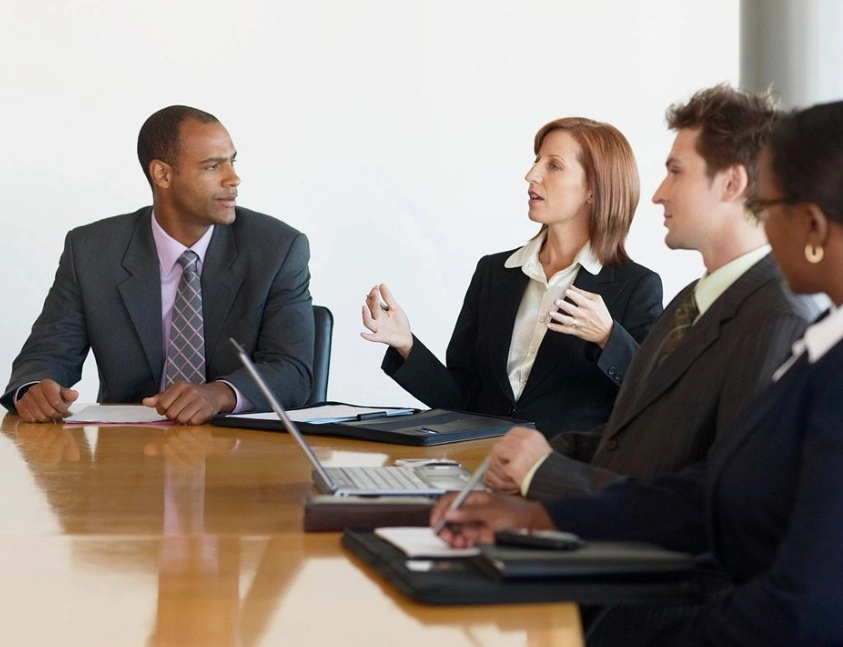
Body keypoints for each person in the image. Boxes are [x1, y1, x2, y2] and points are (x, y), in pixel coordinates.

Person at [432, 99, 843, 647]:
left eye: (768, 210)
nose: (762, 229)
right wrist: (542, 511)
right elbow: (717, 491)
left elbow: (808, 606)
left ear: (816, 227)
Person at [483, 85, 817, 500]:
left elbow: (723, 500)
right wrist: (539, 459)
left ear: (732, 183)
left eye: (676, 171)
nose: (659, 193)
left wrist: (545, 476)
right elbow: (639, 437)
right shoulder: (690, 302)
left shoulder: (778, 318)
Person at [2, 105, 314, 425]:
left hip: (241, 449)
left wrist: (218, 394)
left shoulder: (277, 249)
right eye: (212, 166)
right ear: (162, 174)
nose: (233, 178)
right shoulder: (91, 251)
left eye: (232, 161)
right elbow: (46, 355)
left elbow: (293, 371)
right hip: (127, 453)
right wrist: (35, 390)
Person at [360, 118, 663, 438]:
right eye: (537, 161)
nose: (531, 175)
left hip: (561, 477)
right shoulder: (494, 273)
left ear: (593, 189)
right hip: (478, 463)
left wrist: (607, 336)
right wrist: (406, 344)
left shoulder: (636, 287)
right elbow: (461, 401)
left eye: (554, 165)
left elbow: (655, 397)